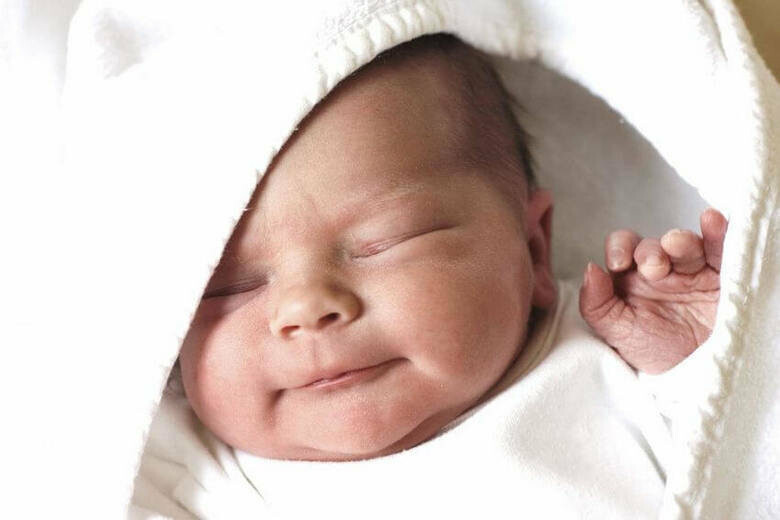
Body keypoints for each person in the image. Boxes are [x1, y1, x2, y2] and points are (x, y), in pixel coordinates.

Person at [133, 33, 727, 517]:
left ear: (532, 248)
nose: (307, 306)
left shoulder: (613, 354)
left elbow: (746, 458)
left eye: (387, 241)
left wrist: (704, 358)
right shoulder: (179, 469)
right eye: (228, 286)